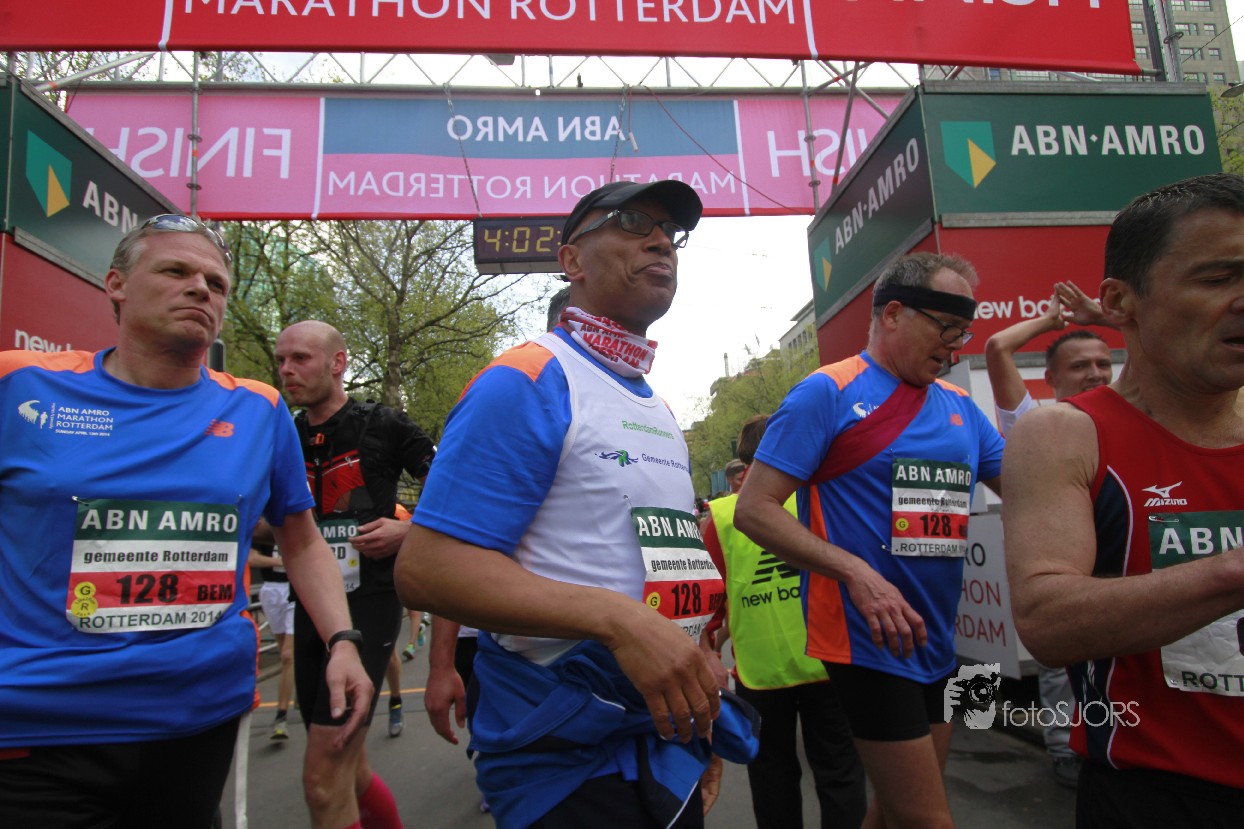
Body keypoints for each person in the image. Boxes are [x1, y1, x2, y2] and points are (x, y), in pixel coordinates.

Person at [396, 180, 759, 829]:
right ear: (571, 261)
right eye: (633, 222)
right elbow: (428, 569)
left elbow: (665, 563)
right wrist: (619, 622)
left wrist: (698, 692)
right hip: (566, 756)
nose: (660, 241)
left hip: (662, 738)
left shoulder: (657, 406)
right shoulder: (527, 378)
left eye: (670, 233)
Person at [0, 214, 371, 829]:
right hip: (42, 720)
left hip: (198, 712)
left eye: (216, 283)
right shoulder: (19, 384)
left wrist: (343, 641)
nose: (200, 288)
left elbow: (302, 541)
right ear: (117, 284)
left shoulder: (257, 409)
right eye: (176, 271)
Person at [1003, 172, 1244, 825]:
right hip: (1160, 797)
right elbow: (1047, 622)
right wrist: (1230, 571)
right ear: (1120, 300)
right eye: (1218, 278)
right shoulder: (1061, 433)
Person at [735, 252, 1005, 829]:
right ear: (894, 314)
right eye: (946, 328)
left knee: (892, 812)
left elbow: (1032, 488)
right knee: (929, 820)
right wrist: (856, 572)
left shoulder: (960, 406)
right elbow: (754, 511)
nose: (955, 348)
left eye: (964, 333)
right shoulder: (827, 392)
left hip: (939, 636)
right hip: (867, 639)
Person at [274, 320, 437, 829]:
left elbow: (455, 485)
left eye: (300, 358)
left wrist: (409, 530)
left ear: (337, 363)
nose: (286, 370)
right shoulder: (282, 431)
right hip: (311, 603)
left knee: (323, 779)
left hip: (370, 599)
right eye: (281, 360)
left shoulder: (384, 423)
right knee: (351, 769)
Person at [702, 414, 866, 829]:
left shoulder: (722, 516)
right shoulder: (823, 496)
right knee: (840, 771)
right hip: (829, 660)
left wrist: (709, 648)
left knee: (771, 775)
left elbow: (710, 599)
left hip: (760, 671)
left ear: (743, 460)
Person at [982, 280, 1116, 788]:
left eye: (1103, 363)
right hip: (1065, 586)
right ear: (1051, 378)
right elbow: (998, 347)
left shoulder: (1136, 420)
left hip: (1123, 582)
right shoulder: (1032, 426)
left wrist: (1105, 316)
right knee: (1062, 671)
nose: (1095, 373)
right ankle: (1063, 751)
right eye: (1080, 366)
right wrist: (1053, 319)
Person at [249, 542, 297, 740]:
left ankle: (281, 716)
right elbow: (251, 558)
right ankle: (299, 684)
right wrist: (280, 561)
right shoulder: (264, 530)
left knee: (288, 655)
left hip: (295, 588)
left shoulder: (299, 526)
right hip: (271, 589)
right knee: (284, 651)